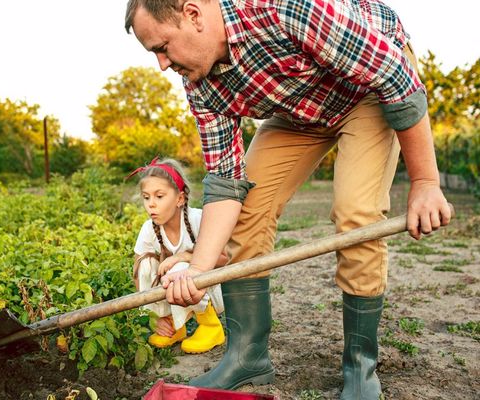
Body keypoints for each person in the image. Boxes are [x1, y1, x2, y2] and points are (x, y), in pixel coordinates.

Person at [124, 0, 452, 398]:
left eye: (162, 47)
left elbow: (394, 78)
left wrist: (425, 182)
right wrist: (200, 270)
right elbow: (227, 182)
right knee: (247, 211)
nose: (161, 64)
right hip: (302, 110)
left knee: (357, 213)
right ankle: (247, 357)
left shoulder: (283, 7)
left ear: (193, 15)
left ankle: (360, 366)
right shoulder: (200, 82)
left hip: (368, 90)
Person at [129, 156, 227, 354]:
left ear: (179, 199)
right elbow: (138, 274)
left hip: (216, 291)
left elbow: (224, 258)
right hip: (176, 291)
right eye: (146, 197)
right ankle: (173, 324)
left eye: (159, 196)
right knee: (145, 264)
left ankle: (210, 326)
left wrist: (182, 257)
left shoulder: (199, 218)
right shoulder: (149, 228)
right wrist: (155, 318)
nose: (151, 204)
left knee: (180, 270)